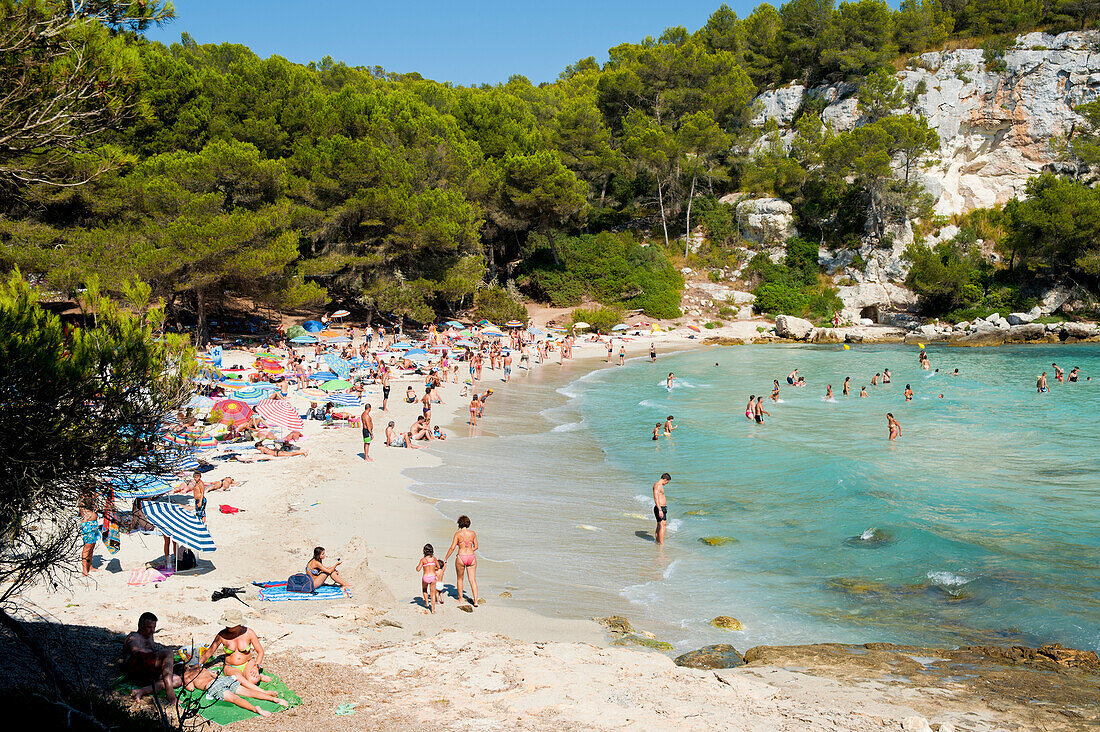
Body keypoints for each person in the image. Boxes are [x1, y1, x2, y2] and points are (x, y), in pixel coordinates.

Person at [199, 608, 270, 685]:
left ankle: (256, 676)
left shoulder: (249, 633)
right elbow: (210, 651)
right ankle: (257, 683)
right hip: (230, 666)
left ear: (238, 624)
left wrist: (256, 666)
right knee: (239, 681)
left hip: (247, 663)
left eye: (230, 625)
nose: (227, 626)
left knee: (253, 680)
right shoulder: (222, 635)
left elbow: (260, 651)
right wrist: (199, 664)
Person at [122, 612, 179, 703]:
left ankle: (141, 691)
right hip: (136, 669)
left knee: (177, 680)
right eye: (149, 627)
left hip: (147, 671)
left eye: (154, 628)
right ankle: (170, 693)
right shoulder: (134, 636)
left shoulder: (149, 636)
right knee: (168, 653)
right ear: (141, 626)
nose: (152, 630)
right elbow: (137, 653)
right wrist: (160, 655)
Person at [444, 515, 479, 607]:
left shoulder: (458, 534)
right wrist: (470, 550)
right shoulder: (473, 533)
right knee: (472, 580)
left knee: (460, 579)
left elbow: (452, 547)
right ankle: (475, 601)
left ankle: (460, 599)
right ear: (468, 523)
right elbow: (476, 546)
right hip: (471, 557)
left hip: (461, 557)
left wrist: (446, 558)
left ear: (459, 524)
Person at [78, 489, 99, 576]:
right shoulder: (82, 500)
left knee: (92, 546)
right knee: (87, 547)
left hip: (93, 524)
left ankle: (90, 566)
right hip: (88, 525)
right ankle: (84, 570)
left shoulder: (90, 500)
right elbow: (89, 500)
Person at [416, 544, 441, 613]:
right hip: (433, 577)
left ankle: (427, 602)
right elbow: (438, 567)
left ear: (424, 551)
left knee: (424, 590)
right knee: (432, 593)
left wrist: (417, 566)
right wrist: (433, 568)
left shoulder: (423, 560)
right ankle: (432, 610)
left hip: (426, 577)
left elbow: (418, 569)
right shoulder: (434, 559)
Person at [652, 473, 671, 545]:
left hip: (661, 508)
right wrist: (660, 509)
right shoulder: (657, 485)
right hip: (660, 508)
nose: (666, 484)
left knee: (660, 525)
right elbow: (655, 497)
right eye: (667, 482)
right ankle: (661, 543)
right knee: (663, 525)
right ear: (665, 479)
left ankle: (657, 542)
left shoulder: (658, 485)